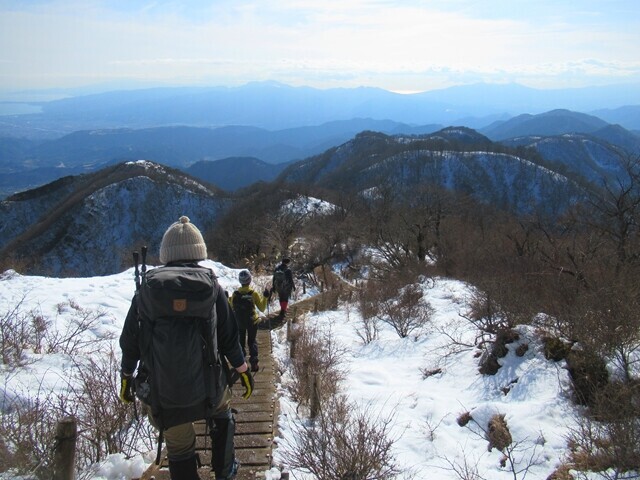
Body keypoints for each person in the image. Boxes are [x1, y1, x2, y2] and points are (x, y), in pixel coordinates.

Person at [119, 216, 253, 480]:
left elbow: (130, 341)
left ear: (166, 254)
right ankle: (225, 471)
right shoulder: (212, 287)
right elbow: (229, 337)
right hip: (209, 387)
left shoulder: (147, 289)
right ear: (198, 252)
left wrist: (126, 377)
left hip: (165, 392)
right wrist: (243, 369)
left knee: (179, 446)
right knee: (224, 412)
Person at [229, 269, 269, 372]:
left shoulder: (235, 294)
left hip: (239, 322)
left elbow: (231, 307)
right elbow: (262, 308)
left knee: (240, 342)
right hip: (252, 321)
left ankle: (242, 364)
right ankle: (254, 363)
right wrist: (265, 297)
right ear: (249, 280)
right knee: (252, 341)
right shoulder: (253, 293)